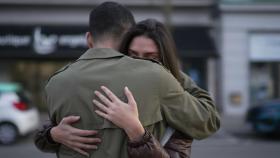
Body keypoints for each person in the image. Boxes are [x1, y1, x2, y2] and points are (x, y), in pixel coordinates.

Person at [36, 2, 220, 158]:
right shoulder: (155, 76)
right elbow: (208, 121)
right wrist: (170, 70)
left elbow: (48, 138)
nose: (141, 61)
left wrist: (52, 135)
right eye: (135, 54)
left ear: (88, 38)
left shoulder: (55, 83)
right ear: (127, 37)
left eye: (151, 57)